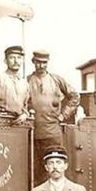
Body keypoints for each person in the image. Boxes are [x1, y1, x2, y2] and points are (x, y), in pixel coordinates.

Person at [26, 51, 79, 184]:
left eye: (44, 62)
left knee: (55, 166)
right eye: (38, 62)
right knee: (36, 170)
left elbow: (75, 96)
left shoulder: (56, 80)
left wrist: (63, 115)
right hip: (32, 133)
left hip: (53, 133)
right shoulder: (26, 81)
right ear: (33, 62)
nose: (41, 65)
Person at [0, 45, 30, 119]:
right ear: (5, 61)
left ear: (22, 61)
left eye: (19, 58)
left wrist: (25, 114)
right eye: (12, 58)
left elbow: (25, 105)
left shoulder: (24, 84)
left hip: (17, 123)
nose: (16, 61)